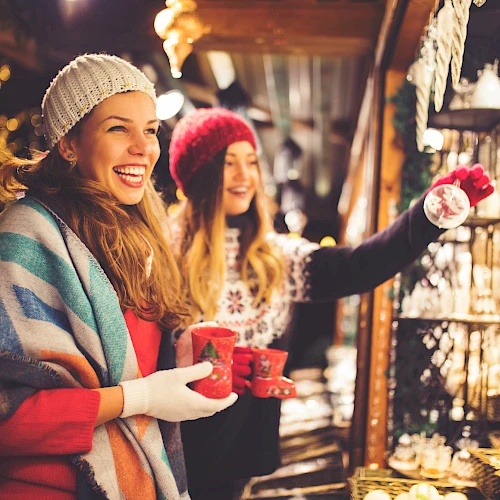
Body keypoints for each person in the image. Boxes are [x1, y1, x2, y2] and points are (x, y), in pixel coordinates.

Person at [167, 107, 494, 499]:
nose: (244, 176)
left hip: (243, 459)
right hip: (172, 452)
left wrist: (426, 217)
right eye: (227, 163)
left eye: (251, 162)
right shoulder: (164, 256)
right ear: (197, 175)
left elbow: (357, 267)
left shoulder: (276, 258)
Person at [0, 54, 237, 500]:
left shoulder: (139, 236)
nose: (144, 147)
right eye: (117, 128)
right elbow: (10, 421)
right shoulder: (26, 237)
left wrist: (183, 353)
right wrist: (141, 398)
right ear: (68, 144)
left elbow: (134, 363)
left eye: (149, 129)